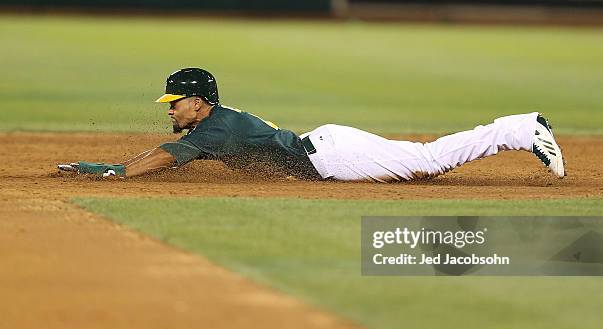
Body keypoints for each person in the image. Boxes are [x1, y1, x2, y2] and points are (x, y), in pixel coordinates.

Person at [58, 67, 565, 182]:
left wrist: (115, 172)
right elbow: (168, 157)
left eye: (175, 103)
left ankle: (518, 129)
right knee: (424, 165)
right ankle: (515, 129)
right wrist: (108, 166)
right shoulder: (212, 128)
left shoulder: (218, 128)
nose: (169, 110)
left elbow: (164, 159)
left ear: (199, 103)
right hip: (326, 149)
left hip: (332, 156)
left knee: (428, 161)